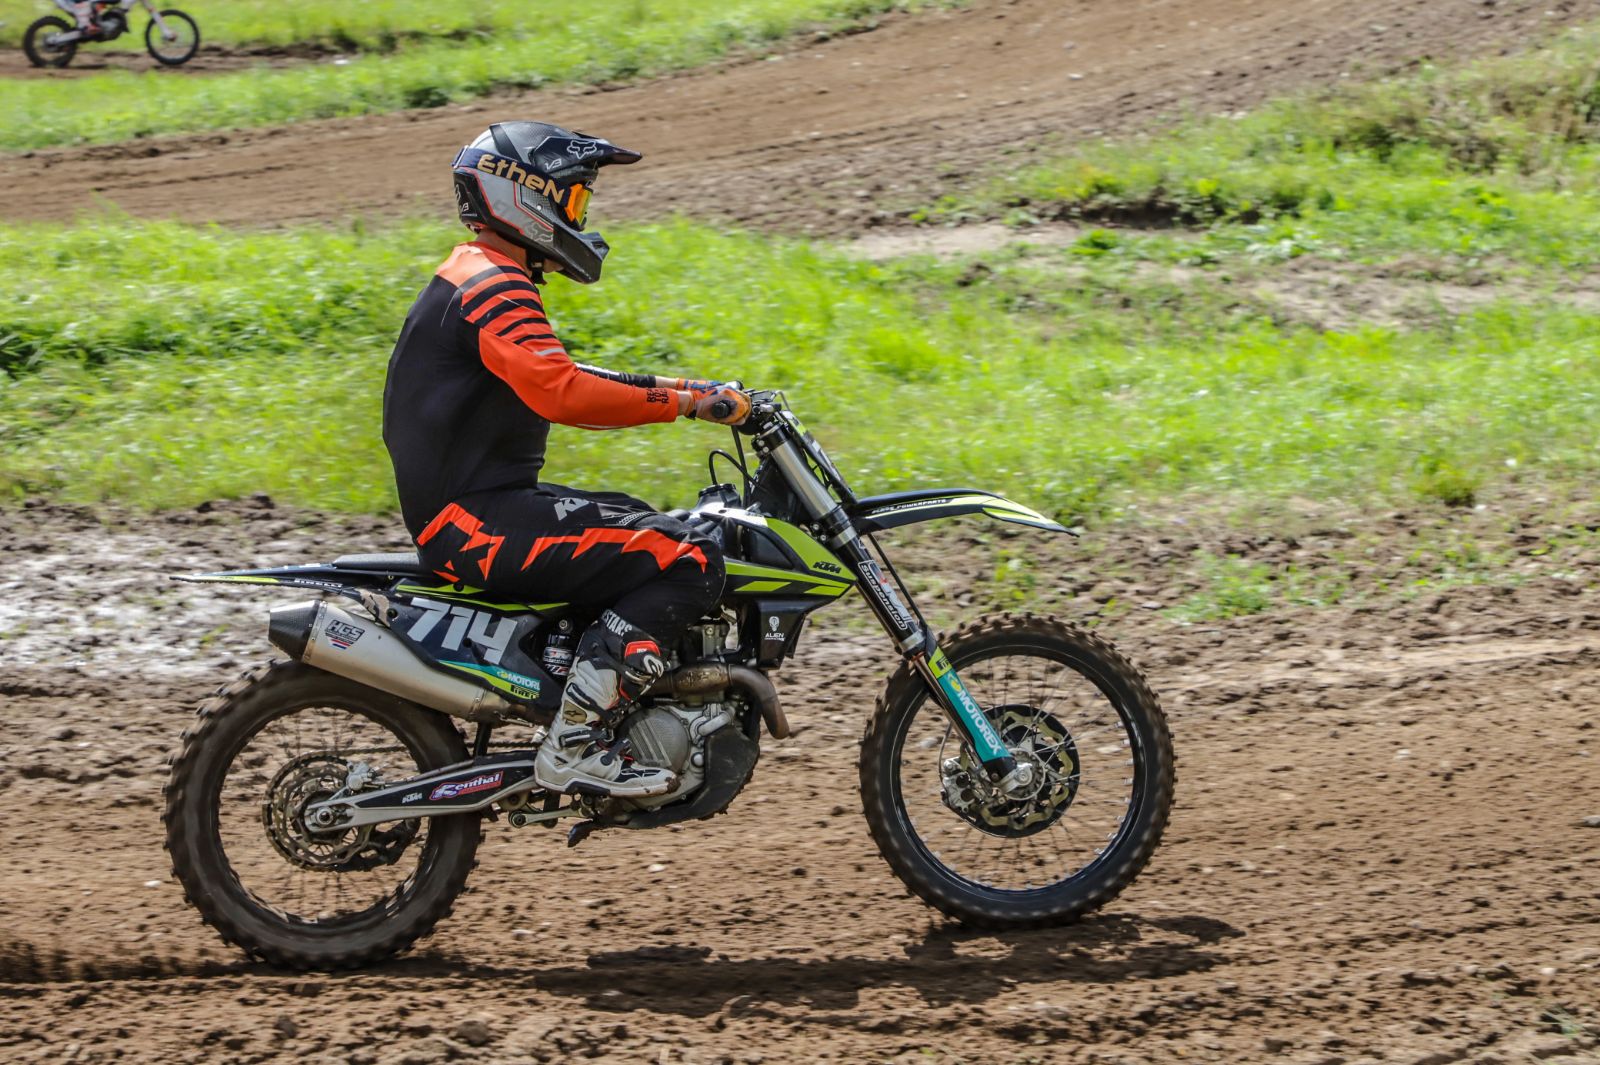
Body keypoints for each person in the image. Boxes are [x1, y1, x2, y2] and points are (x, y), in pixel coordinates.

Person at [382, 120, 750, 799]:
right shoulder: (492, 282)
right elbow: (565, 392)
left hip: (478, 510)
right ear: (524, 195)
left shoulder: (479, 273)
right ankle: (576, 741)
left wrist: (691, 389)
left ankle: (591, 695)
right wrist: (685, 405)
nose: (579, 216)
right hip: (475, 522)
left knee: (644, 521)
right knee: (689, 555)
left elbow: (563, 372)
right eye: (573, 200)